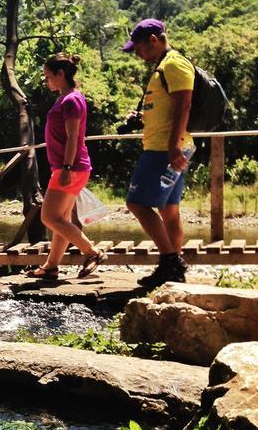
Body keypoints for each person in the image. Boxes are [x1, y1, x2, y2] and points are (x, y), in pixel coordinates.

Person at [122, 18, 193, 285]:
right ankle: (173, 272)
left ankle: (170, 262)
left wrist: (173, 145)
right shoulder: (164, 66)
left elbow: (183, 106)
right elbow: (167, 107)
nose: (138, 54)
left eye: (138, 48)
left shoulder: (174, 64)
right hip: (167, 144)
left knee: (137, 203)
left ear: (154, 40)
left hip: (164, 148)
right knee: (169, 209)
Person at [28, 53, 108, 279]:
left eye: (48, 77)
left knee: (50, 217)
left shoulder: (71, 100)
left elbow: (74, 137)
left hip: (70, 167)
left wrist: (66, 167)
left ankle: (92, 252)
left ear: (60, 74)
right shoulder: (65, 98)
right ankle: (51, 266)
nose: (46, 82)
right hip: (70, 167)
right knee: (60, 218)